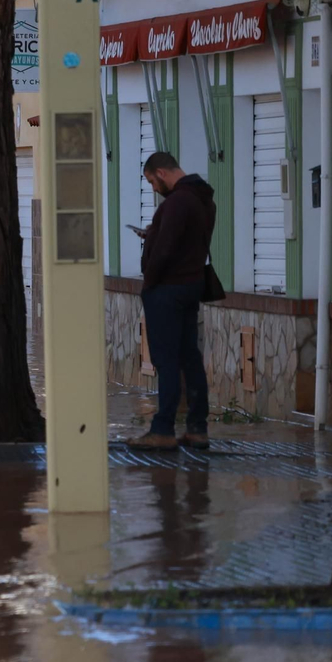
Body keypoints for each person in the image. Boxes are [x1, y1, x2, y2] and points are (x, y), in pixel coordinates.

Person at [128, 151, 217, 451]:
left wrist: (149, 284)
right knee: (189, 357)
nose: (154, 188)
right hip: (192, 284)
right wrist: (155, 233)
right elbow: (185, 240)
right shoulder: (204, 200)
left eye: (152, 181)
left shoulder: (179, 202)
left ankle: (163, 429)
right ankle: (197, 428)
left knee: (165, 361)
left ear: (162, 173)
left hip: (168, 289)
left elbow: (166, 250)